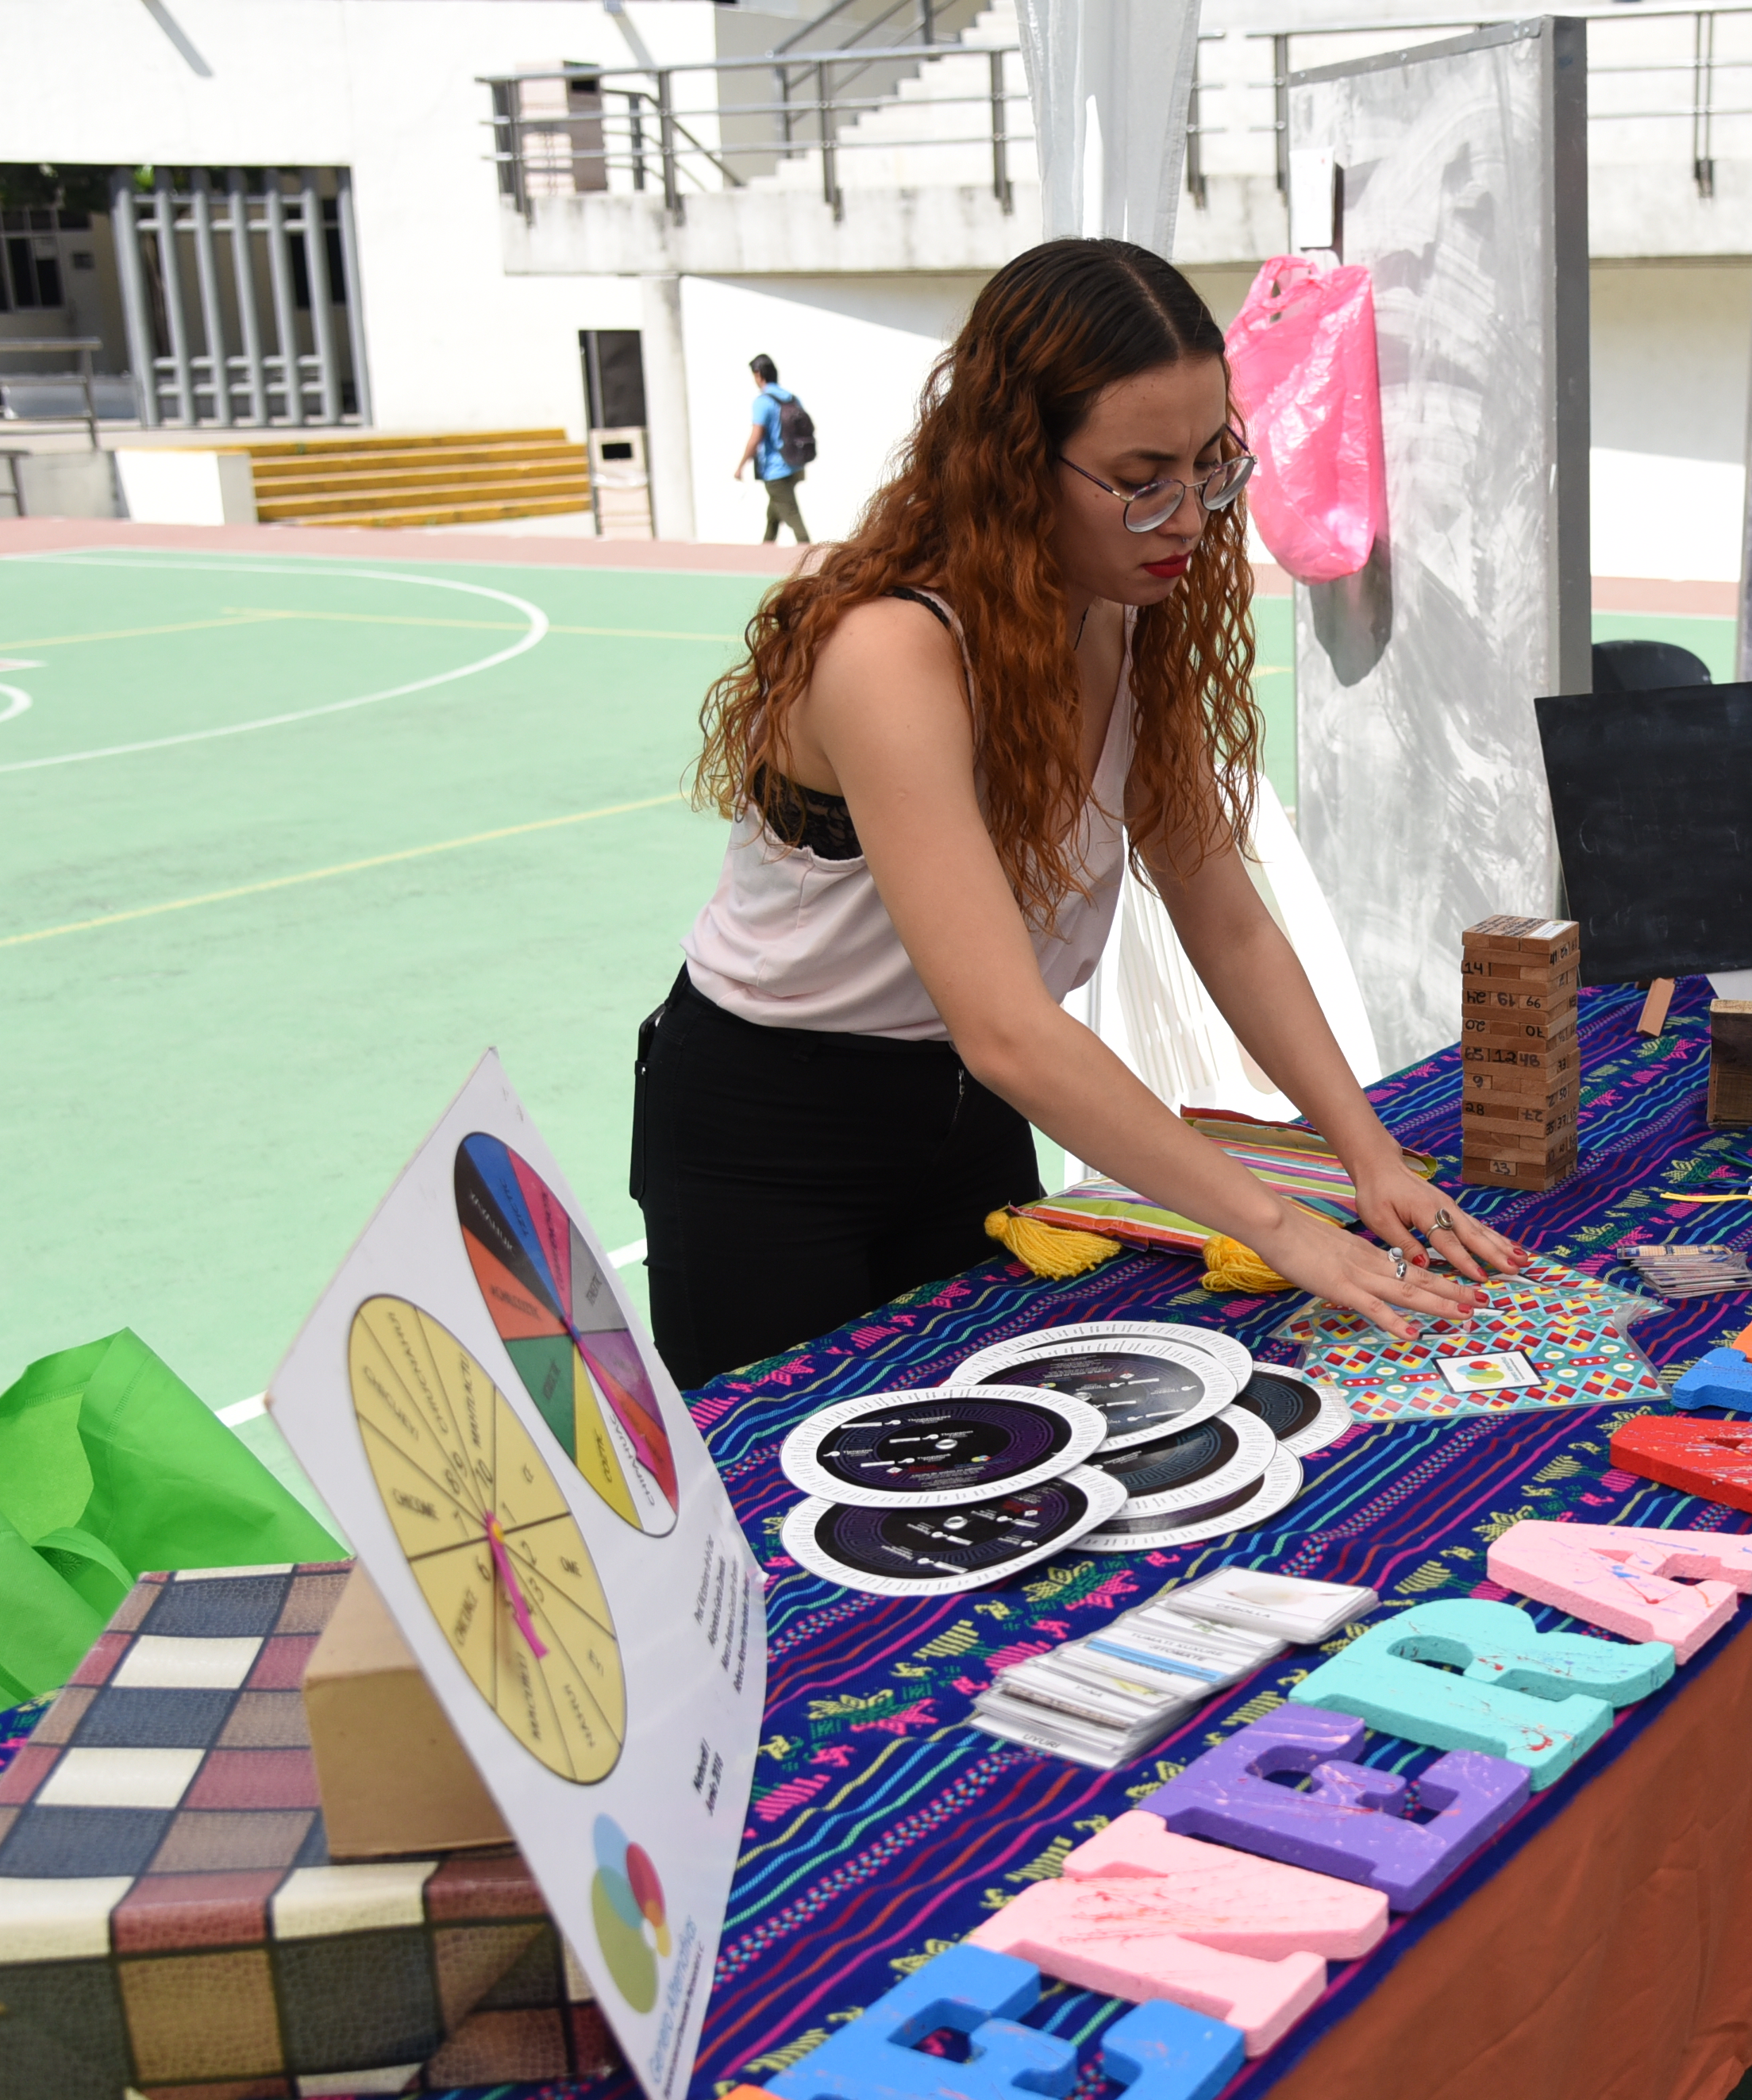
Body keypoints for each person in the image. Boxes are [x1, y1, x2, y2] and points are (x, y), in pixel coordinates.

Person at [633, 240, 1514, 1388]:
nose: (1188, 518)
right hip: (775, 1135)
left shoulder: (1127, 611)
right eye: (1141, 476)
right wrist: (1286, 1228)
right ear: (1013, 463)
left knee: (1005, 1451)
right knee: (791, 1496)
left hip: (972, 1119)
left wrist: (1368, 1157)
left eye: (1211, 467)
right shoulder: (891, 651)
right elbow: (1007, 1024)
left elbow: (1223, 913)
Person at [736, 353, 813, 545]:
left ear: (759, 375)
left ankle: (811, 559)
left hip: (775, 472)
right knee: (773, 515)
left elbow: (755, 438)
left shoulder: (763, 402)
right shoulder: (792, 399)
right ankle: (765, 550)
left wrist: (740, 467)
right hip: (795, 467)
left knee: (794, 520)